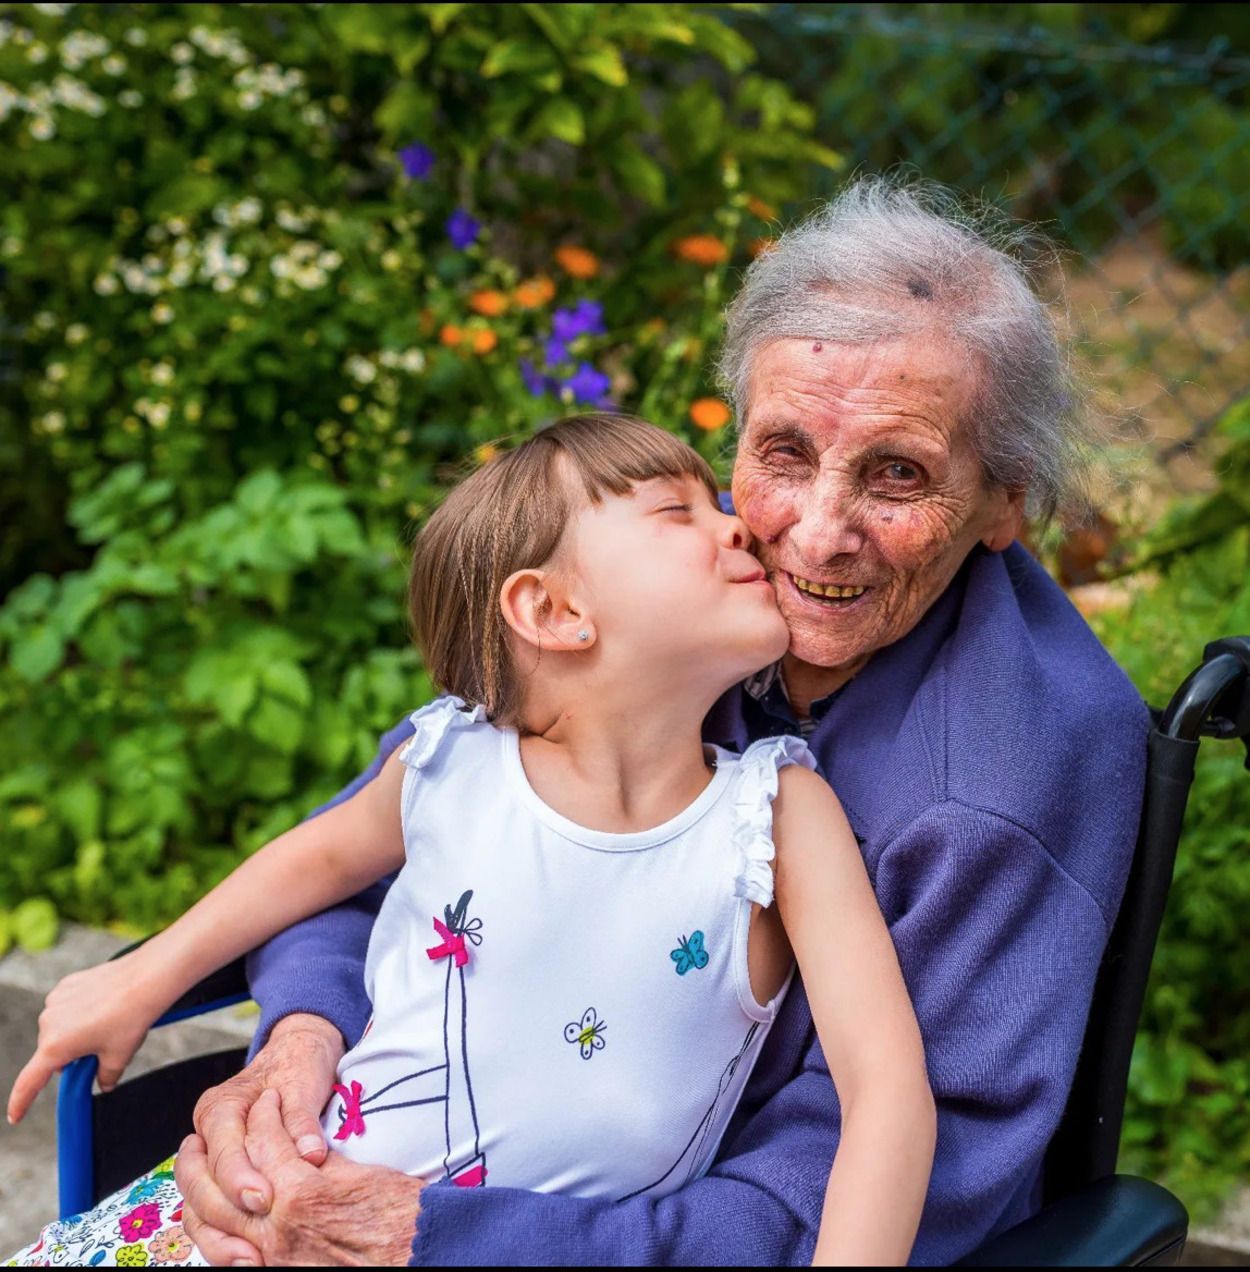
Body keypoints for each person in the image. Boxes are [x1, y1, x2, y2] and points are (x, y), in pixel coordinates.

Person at [171, 177, 1150, 1268]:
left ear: (1005, 498)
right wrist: (300, 1047)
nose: (813, 537)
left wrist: (449, 1240)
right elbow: (371, 854)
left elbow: (844, 1188)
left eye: (896, 474)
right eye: (781, 454)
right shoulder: (678, 616)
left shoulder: (1002, 783)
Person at [8, 415, 935, 1268]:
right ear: (554, 613)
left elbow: (887, 1096)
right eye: (674, 512)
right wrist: (141, 974)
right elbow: (315, 860)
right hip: (257, 1218)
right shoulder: (453, 762)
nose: (736, 525)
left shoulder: (775, 815)